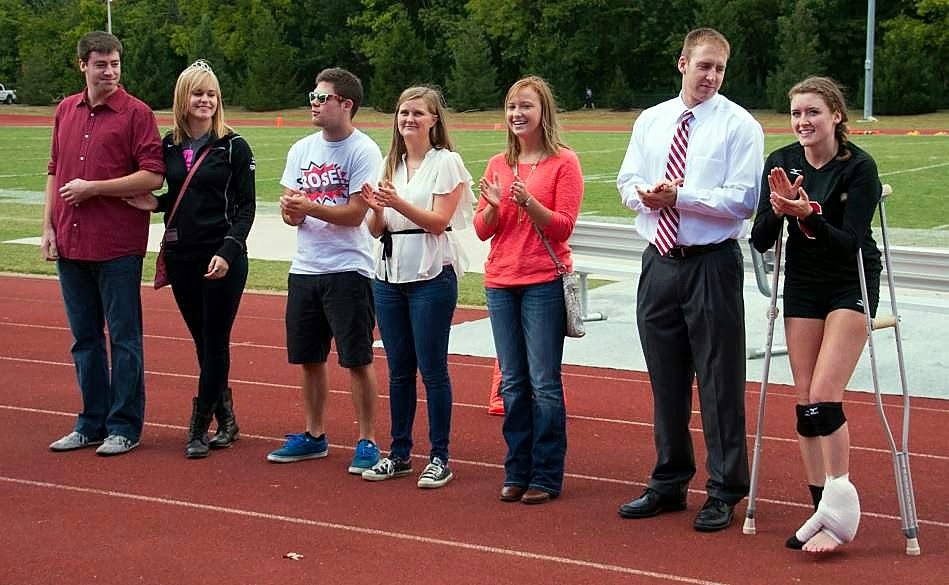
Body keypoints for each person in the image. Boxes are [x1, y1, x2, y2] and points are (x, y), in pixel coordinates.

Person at [616, 27, 764, 531]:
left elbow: (744, 199)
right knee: (666, 378)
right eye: (704, 66)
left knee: (720, 381)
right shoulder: (653, 120)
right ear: (683, 63)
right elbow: (625, 181)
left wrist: (681, 197)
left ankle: (725, 490)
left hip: (711, 262)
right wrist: (648, 195)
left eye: (720, 68)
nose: (712, 77)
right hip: (658, 259)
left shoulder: (739, 125)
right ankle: (669, 481)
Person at [750, 76, 881, 553]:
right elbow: (760, 240)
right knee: (805, 401)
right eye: (797, 114)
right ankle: (821, 508)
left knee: (826, 395)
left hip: (850, 281)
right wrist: (779, 209)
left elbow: (850, 244)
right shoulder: (781, 161)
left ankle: (842, 509)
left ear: (836, 117)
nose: (803, 122)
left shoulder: (858, 168)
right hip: (803, 286)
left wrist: (807, 214)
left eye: (813, 113)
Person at [125, 60, 256, 459]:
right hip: (182, 254)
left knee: (215, 342)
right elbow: (182, 194)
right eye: (198, 93)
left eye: (211, 94)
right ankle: (228, 420)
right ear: (184, 98)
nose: (205, 100)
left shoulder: (234, 146)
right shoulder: (169, 145)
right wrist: (157, 203)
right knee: (202, 343)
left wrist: (228, 251)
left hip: (221, 256)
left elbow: (246, 207)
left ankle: (199, 426)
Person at [43, 31, 165, 456]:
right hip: (71, 243)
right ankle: (90, 422)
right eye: (101, 64)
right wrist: (48, 227)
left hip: (116, 246)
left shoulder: (137, 114)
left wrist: (94, 188)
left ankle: (125, 425)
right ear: (83, 66)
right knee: (85, 339)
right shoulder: (65, 110)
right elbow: (55, 172)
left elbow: (153, 176)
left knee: (125, 338)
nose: (109, 71)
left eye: (114, 63)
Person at [268, 67, 383, 474]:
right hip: (305, 268)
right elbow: (292, 212)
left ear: (345, 104)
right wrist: (291, 213)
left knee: (356, 359)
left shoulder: (363, 151)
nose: (313, 104)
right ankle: (314, 434)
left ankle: (367, 439)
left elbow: (355, 214)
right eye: (312, 96)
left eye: (322, 98)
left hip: (348, 268)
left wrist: (308, 207)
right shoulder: (301, 150)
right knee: (309, 358)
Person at [358, 86, 475, 489]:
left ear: (433, 120)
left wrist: (395, 203)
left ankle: (440, 455)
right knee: (399, 369)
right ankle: (400, 452)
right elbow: (376, 229)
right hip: (389, 273)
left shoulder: (447, 162)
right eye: (403, 112)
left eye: (417, 113)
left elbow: (438, 221)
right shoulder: (390, 162)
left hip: (430, 273)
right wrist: (376, 210)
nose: (408, 119)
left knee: (433, 368)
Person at [475, 76, 583, 505]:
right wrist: (497, 207)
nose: (517, 114)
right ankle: (516, 469)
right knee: (514, 383)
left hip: (542, 282)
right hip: (501, 282)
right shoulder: (498, 163)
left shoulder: (563, 162)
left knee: (543, 383)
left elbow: (563, 227)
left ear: (543, 113)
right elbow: (484, 230)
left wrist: (529, 204)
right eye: (511, 107)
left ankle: (546, 474)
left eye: (526, 107)